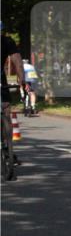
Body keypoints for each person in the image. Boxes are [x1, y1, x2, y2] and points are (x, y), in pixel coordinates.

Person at [1, 22, 26, 156]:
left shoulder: (7, 41)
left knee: (5, 109)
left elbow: (17, 60)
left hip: (0, 78)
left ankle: (7, 149)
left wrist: (21, 78)